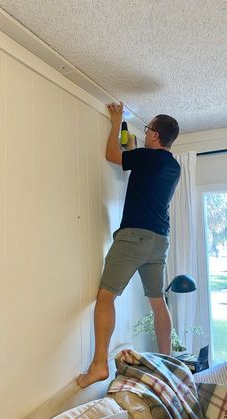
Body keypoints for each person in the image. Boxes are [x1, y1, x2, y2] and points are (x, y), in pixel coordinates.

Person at [76, 101, 181, 388]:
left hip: (134, 236)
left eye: (148, 129)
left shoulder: (147, 157)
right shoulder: (173, 166)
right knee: (158, 302)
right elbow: (142, 173)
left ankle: (99, 365)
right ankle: (167, 364)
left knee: (106, 297)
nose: (146, 132)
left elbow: (112, 155)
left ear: (156, 135)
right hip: (159, 241)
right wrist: (134, 151)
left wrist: (115, 120)